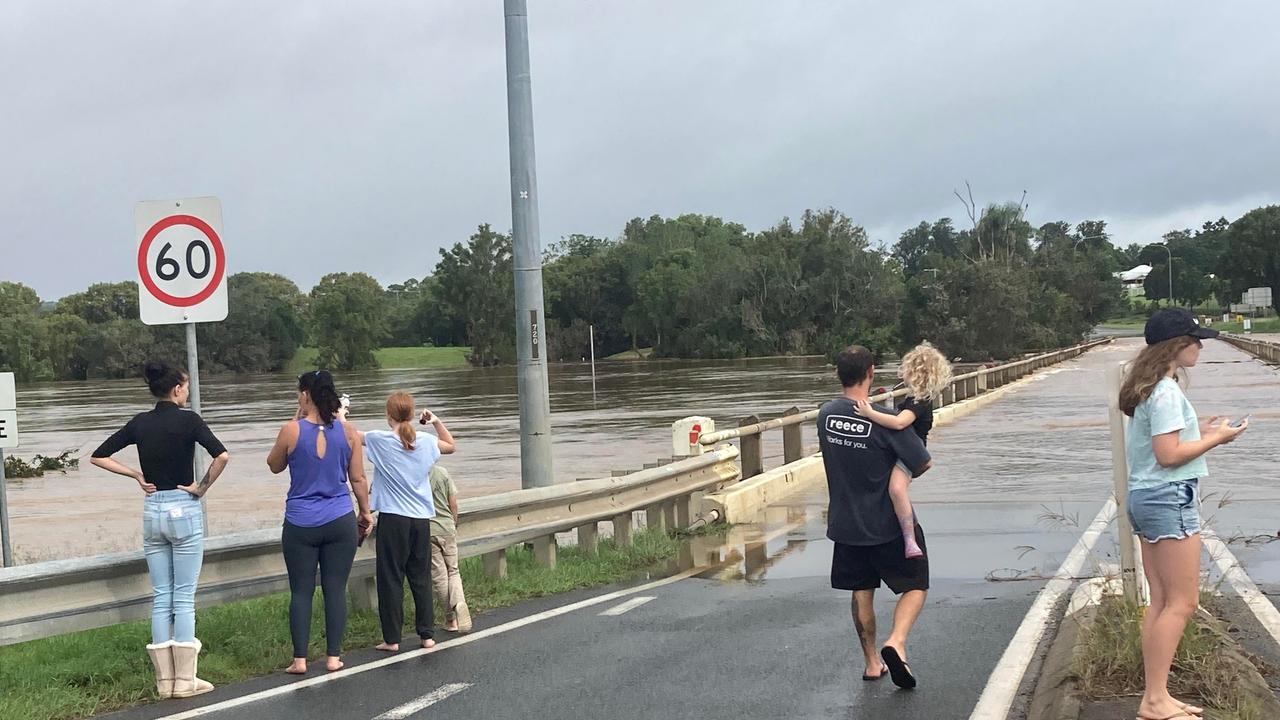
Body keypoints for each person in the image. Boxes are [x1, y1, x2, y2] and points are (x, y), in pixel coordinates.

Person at [1120, 308, 1246, 720]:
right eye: (1195, 339)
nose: (1201, 345)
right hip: (1168, 497)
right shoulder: (1168, 391)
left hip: (1146, 495)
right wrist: (1218, 439)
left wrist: (1203, 435)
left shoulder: (1149, 388)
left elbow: (1161, 449)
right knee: (1183, 602)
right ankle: (1155, 700)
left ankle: (1156, 696)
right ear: (1177, 345)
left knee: (1160, 601)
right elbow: (1169, 455)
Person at [90, 361, 230, 700]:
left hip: (153, 511)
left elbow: (98, 456)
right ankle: (185, 681)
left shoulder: (140, 423)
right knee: (183, 597)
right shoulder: (190, 421)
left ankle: (164, 683)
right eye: (187, 386)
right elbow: (222, 456)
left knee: (161, 596)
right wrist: (200, 488)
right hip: (183, 508)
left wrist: (136, 475)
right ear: (178, 389)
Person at [818, 345, 932, 690]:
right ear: (871, 372)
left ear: (839, 374)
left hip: (845, 524)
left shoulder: (825, 415)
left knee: (861, 591)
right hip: (887, 525)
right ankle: (896, 641)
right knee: (915, 584)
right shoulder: (884, 422)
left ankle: (871, 663)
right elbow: (922, 461)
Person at [266, 371, 374, 674]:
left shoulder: (291, 430)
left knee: (301, 591)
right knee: (335, 589)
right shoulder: (349, 431)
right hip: (339, 518)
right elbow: (358, 478)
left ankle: (299, 660)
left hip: (300, 521)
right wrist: (365, 512)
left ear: (305, 395)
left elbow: (274, 465)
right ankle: (333, 657)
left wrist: (296, 416)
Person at [356, 392, 457, 652]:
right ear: (411, 415)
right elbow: (450, 444)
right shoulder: (425, 440)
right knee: (420, 577)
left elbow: (351, 435)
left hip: (393, 518)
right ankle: (427, 635)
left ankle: (392, 639)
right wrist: (434, 420)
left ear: (389, 415)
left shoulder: (380, 439)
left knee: (390, 579)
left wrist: (339, 413)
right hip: (421, 520)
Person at [854, 343, 952, 559]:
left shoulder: (921, 400)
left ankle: (910, 540)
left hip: (910, 452)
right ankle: (903, 526)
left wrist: (869, 413)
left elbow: (899, 423)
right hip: (898, 449)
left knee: (897, 489)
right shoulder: (911, 398)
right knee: (888, 490)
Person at [429, 464, 472, 633]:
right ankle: (459, 601)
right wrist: (454, 522)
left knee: (440, 577)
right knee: (453, 570)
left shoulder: (416, 473)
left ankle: (451, 620)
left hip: (429, 529)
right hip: (447, 527)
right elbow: (452, 503)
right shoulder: (442, 473)